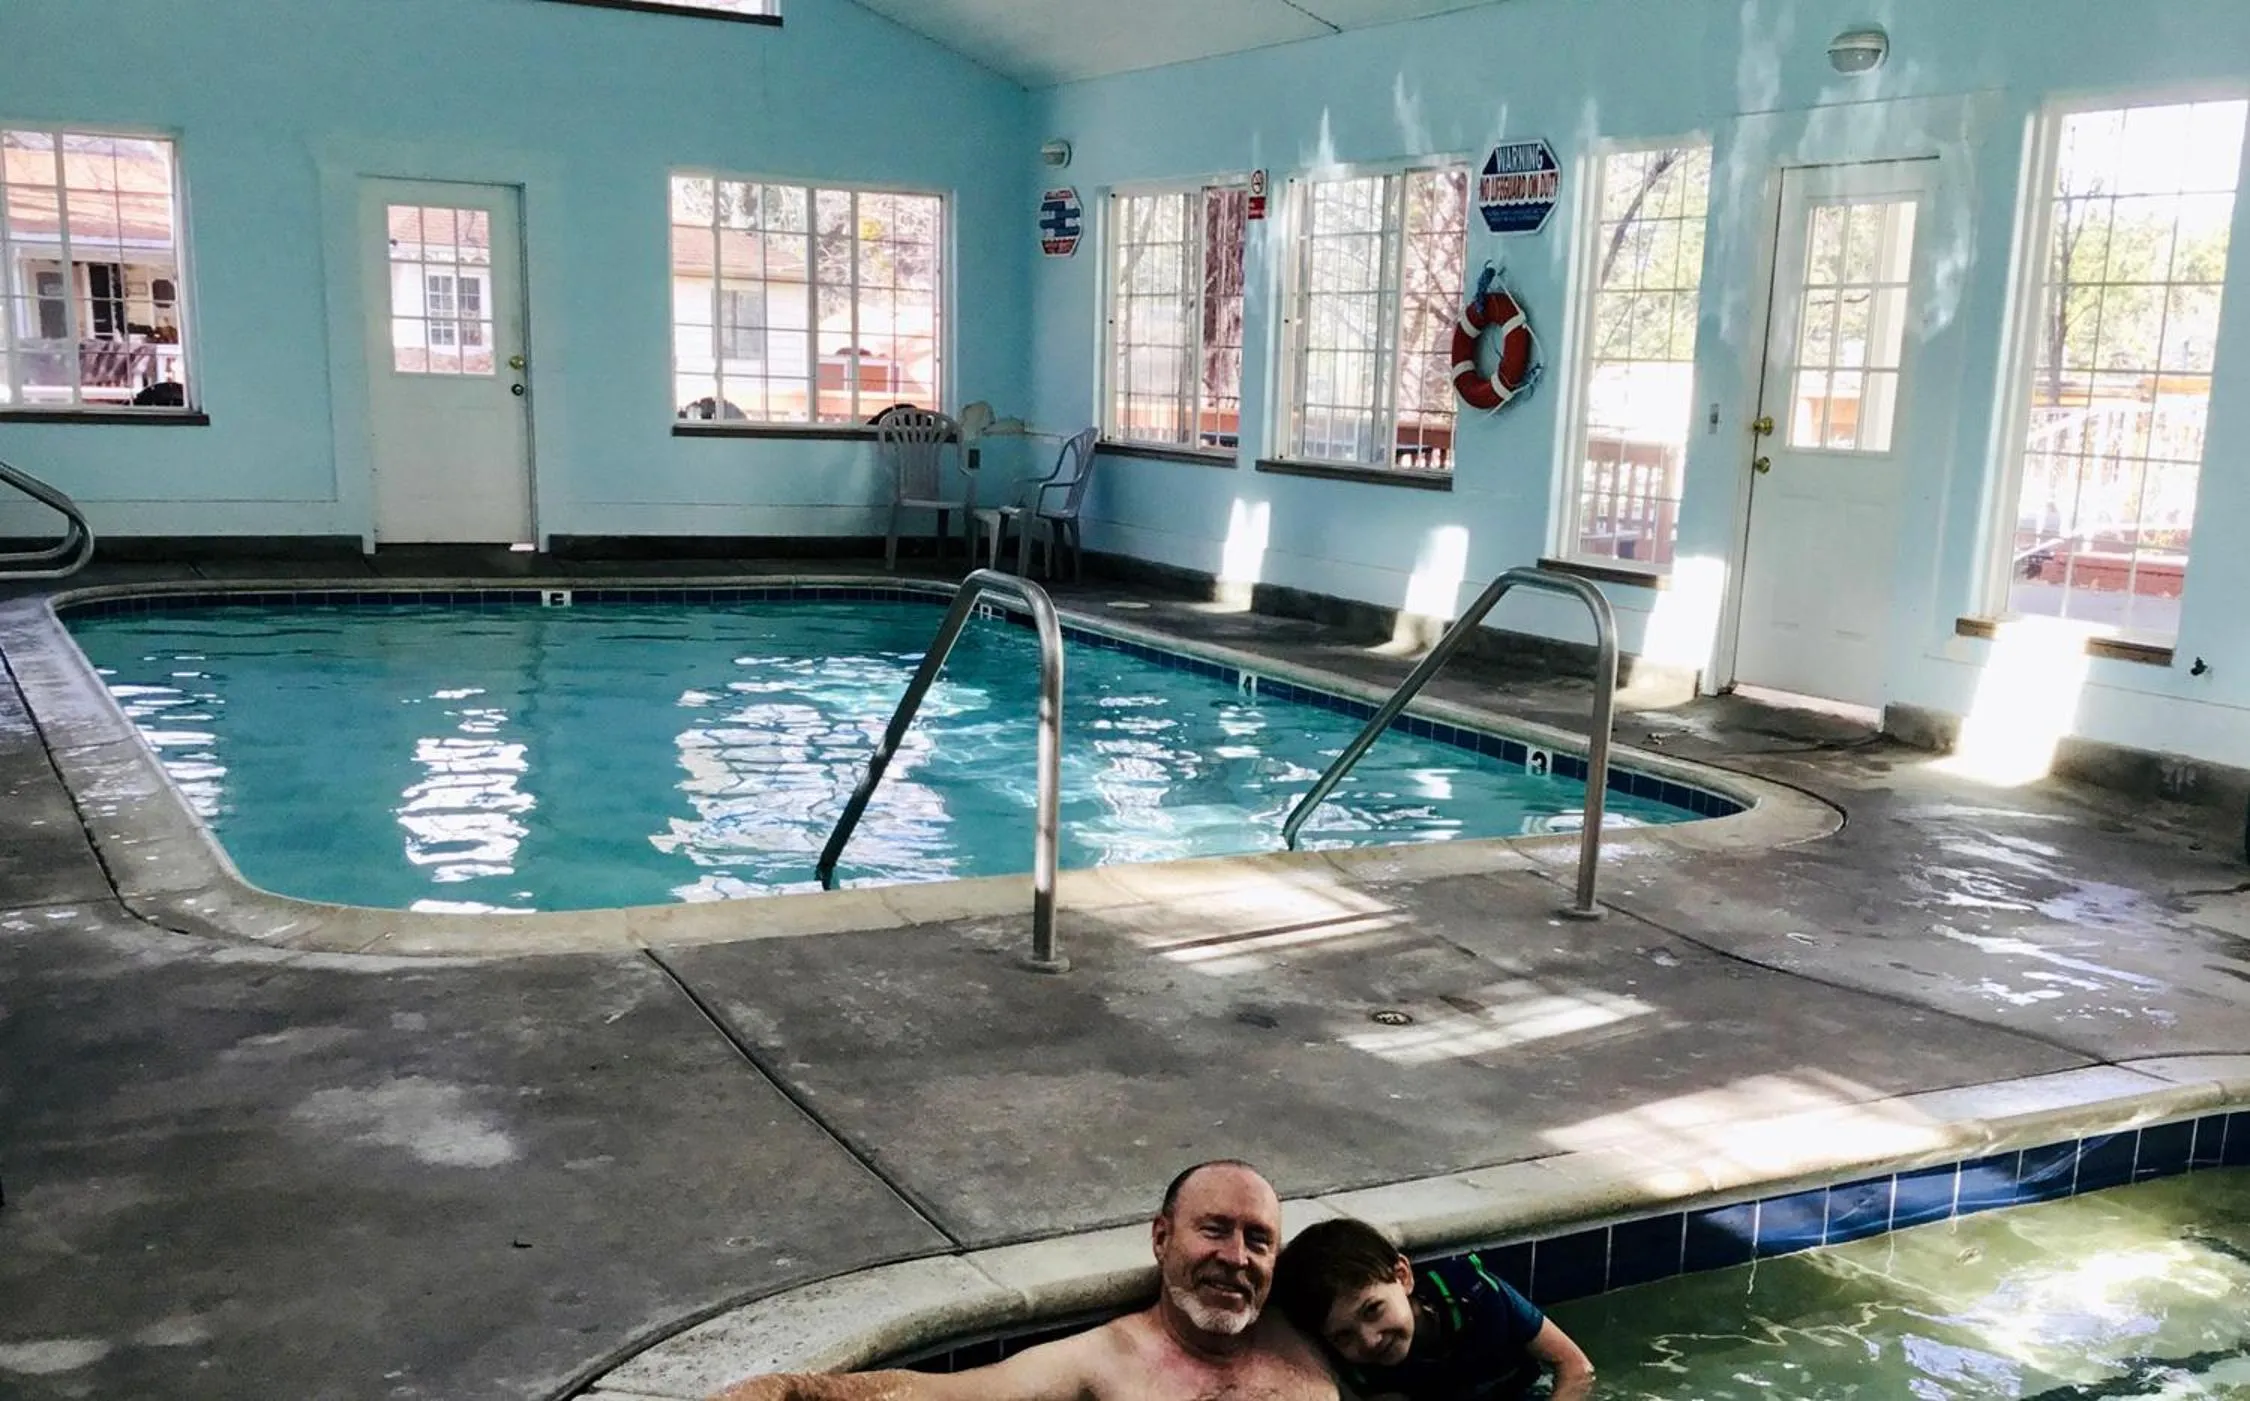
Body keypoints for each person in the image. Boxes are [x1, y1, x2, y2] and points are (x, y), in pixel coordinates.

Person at [708, 1160, 1339, 1401]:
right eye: (1214, 1230)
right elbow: (941, 1395)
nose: (1236, 1256)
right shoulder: (1109, 1361)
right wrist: (793, 1392)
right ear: (1160, 1238)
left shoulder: (1307, 1327)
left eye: (1258, 1239)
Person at [1271, 1217, 1593, 1401]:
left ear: (1403, 1276)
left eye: (1372, 1310)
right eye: (1343, 1336)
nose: (1369, 1340)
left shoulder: (1478, 1294)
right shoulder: (1357, 1371)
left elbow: (1576, 1367)